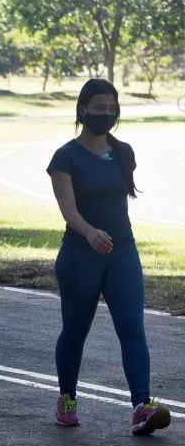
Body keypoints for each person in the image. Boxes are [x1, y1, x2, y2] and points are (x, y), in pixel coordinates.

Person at [47, 78, 171, 436]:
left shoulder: (123, 152)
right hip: (79, 255)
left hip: (123, 254)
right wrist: (89, 233)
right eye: (99, 107)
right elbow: (68, 210)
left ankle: (141, 407)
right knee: (75, 331)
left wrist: (111, 238)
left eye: (111, 108)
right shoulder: (65, 157)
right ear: (82, 109)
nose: (106, 114)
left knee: (133, 329)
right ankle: (67, 399)